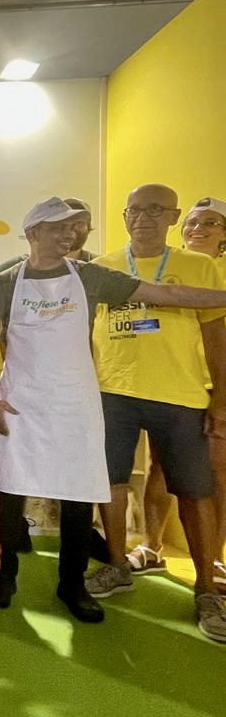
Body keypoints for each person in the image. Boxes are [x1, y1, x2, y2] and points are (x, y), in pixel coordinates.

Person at [0, 195, 226, 636]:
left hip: (75, 403)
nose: (69, 234)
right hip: (21, 402)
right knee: (10, 489)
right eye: (58, 227)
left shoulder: (90, 276)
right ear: (33, 233)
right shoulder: (5, 283)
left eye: (73, 227)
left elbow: (165, 294)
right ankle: (5, 572)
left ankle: (72, 584)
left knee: (78, 493)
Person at [83, 184, 226, 640]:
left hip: (180, 395)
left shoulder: (199, 267)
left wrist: (221, 399)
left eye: (155, 210)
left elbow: (216, 337)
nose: (143, 218)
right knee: (110, 481)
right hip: (112, 391)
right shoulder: (103, 266)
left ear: (173, 217)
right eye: (135, 211)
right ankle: (117, 564)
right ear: (125, 217)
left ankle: (206, 588)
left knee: (195, 491)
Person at [129, 197, 226, 587]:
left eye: (211, 223)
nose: (198, 229)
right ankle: (151, 547)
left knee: (213, 474)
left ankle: (213, 559)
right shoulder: (167, 266)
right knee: (159, 468)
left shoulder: (217, 273)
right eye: (193, 222)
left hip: (214, 387)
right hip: (172, 384)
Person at [0, 198, 95, 289]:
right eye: (64, 223)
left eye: (79, 223)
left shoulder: (98, 265)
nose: (70, 230)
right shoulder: (20, 265)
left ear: (88, 228)